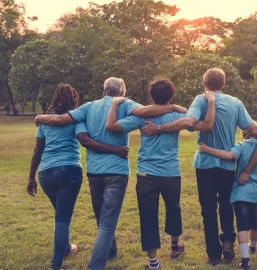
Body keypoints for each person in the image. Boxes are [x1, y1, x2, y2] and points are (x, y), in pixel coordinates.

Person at [34, 77, 185, 270]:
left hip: (94, 171)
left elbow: (60, 119)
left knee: (101, 218)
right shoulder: (125, 103)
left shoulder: (88, 107)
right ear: (121, 91)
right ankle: (95, 266)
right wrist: (173, 108)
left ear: (104, 90)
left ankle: (111, 250)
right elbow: (146, 111)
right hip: (117, 170)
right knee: (107, 223)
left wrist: (40, 118)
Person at [141, 68, 257, 265]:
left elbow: (189, 121)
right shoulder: (235, 103)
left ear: (204, 84)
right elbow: (253, 128)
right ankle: (228, 243)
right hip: (226, 164)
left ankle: (214, 253)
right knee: (226, 205)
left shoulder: (201, 100)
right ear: (223, 84)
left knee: (208, 209)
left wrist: (159, 128)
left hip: (205, 164)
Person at [105, 78, 215, 269]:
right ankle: (174, 246)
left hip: (146, 173)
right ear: (171, 95)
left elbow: (112, 126)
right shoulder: (177, 116)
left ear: (151, 95)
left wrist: (114, 105)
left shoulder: (142, 117)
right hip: (171, 172)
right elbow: (203, 124)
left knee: (148, 216)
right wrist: (182, 109)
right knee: (174, 209)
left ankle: (153, 263)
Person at [27, 84, 129, 270]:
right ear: (73, 100)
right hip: (69, 171)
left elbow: (38, 149)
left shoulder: (45, 121)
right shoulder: (76, 118)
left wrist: (31, 177)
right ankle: (56, 263)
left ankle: (66, 247)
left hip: (45, 173)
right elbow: (85, 140)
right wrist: (115, 150)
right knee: (62, 219)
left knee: (60, 214)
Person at [198, 130, 257, 270]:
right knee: (254, 223)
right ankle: (253, 246)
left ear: (244, 133)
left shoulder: (241, 146)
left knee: (242, 226)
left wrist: (207, 149)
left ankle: (245, 261)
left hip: (240, 192)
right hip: (255, 193)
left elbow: (228, 155)